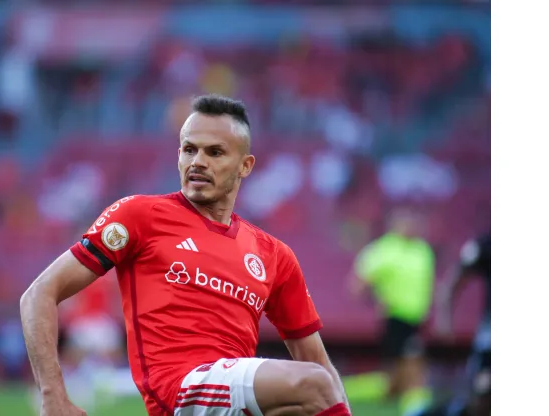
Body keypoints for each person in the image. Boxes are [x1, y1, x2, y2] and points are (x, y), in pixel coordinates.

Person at [20, 94, 350, 416]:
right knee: (313, 385)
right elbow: (39, 294)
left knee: (312, 391)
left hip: (231, 398)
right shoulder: (140, 216)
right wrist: (53, 396)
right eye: (189, 150)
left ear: (245, 165)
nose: (198, 161)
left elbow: (316, 359)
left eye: (215, 152)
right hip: (181, 391)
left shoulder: (274, 255)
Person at [345, 208, 435, 416]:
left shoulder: (423, 250)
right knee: (414, 369)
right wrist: (378, 300)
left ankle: (345, 389)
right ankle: (416, 409)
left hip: (418, 319)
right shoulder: (384, 250)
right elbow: (357, 284)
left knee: (395, 382)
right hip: (396, 318)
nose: (410, 226)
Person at [419, 233, 490, 416]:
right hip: (490, 338)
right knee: (483, 392)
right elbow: (453, 283)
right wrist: (445, 320)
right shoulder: (486, 244)